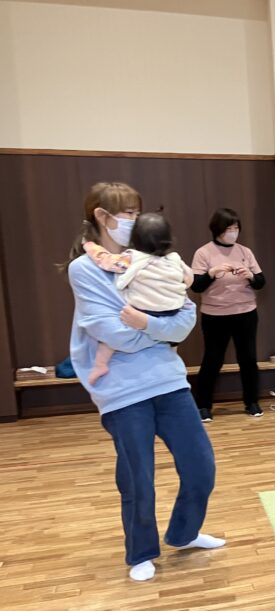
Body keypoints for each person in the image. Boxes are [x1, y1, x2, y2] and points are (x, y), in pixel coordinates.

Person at [64, 182, 222, 583]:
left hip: (169, 381)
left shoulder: (156, 258)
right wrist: (160, 331)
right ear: (102, 216)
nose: (134, 221)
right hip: (122, 391)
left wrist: (148, 324)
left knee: (201, 466)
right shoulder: (85, 270)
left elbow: (185, 320)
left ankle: (184, 533)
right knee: (138, 478)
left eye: (137, 213)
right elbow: (110, 331)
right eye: (127, 214)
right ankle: (141, 552)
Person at [84, 213, 193, 385]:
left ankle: (100, 365)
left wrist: (90, 246)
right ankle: (171, 360)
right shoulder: (174, 259)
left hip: (144, 310)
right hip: (173, 310)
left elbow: (106, 260)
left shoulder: (132, 257)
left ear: (134, 239)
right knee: (172, 340)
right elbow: (189, 278)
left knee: (108, 343)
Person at [190, 208, 266, 421]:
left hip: (246, 312)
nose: (233, 233)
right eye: (229, 229)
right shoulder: (204, 253)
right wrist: (211, 273)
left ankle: (252, 402)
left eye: (236, 228)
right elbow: (196, 285)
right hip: (215, 315)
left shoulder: (245, 252)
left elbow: (261, 282)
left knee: (248, 358)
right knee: (213, 360)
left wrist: (250, 275)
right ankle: (203, 406)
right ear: (217, 230)